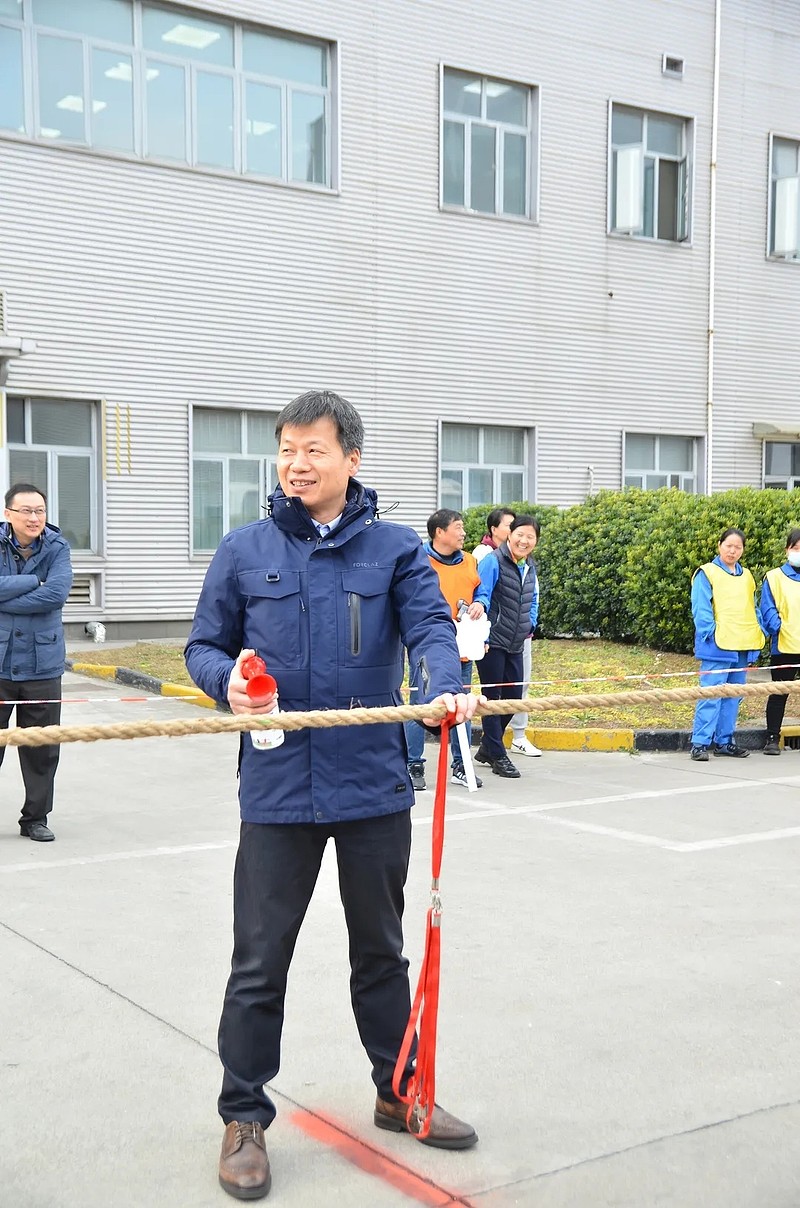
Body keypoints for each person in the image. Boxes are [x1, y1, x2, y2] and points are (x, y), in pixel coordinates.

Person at [185, 390, 481, 1202]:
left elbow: (429, 630)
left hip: (372, 787)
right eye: (287, 448)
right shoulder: (246, 549)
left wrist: (444, 688)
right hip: (277, 791)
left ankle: (399, 1091)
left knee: (381, 954)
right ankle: (243, 1117)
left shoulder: (392, 550)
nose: (296, 463)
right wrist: (227, 684)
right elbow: (204, 645)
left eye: (314, 448)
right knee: (258, 963)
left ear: (352, 458)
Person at [0, 483, 73, 842]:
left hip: (42, 664)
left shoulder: (58, 547)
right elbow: (42, 591)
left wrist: (6, 596)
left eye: (40, 511)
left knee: (42, 748)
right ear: (8, 513)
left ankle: (35, 818)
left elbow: (57, 594)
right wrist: (32, 580)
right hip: (0, 663)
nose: (34, 518)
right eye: (26, 511)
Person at [404, 508, 485, 791]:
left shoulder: (471, 561)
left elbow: (480, 591)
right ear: (440, 532)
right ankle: (414, 764)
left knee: (461, 704)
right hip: (429, 646)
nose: (463, 533)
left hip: (463, 642)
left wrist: (481, 604)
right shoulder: (417, 561)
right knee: (422, 704)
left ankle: (461, 765)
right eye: (458, 527)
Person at [689, 527, 765, 761]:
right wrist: (709, 634)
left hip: (741, 644)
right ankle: (700, 743)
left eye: (737, 547)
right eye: (728, 545)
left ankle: (725, 741)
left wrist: (756, 637)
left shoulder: (747, 575)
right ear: (719, 546)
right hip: (717, 644)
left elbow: (752, 609)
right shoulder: (707, 572)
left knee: (734, 696)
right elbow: (700, 609)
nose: (732, 550)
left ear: (742, 550)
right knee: (711, 694)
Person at [473, 515, 540, 778]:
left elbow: (532, 599)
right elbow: (482, 595)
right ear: (509, 535)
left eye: (530, 537)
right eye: (520, 534)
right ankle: (498, 754)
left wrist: (530, 624)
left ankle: (489, 746)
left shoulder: (529, 566)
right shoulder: (493, 561)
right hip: (493, 640)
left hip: (516, 641)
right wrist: (484, 632)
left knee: (513, 700)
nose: (524, 540)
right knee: (492, 700)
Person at [759, 528, 800, 755]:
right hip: (783, 646)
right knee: (778, 692)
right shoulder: (773, 577)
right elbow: (768, 608)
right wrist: (779, 627)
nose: (799, 552)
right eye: (795, 548)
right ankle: (772, 737)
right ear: (787, 550)